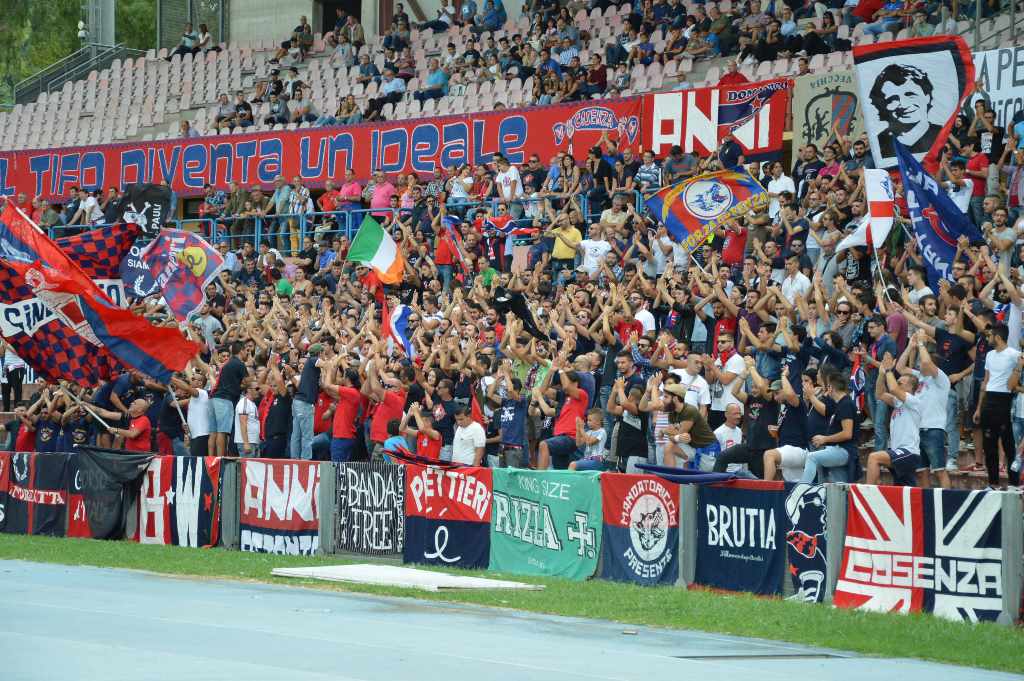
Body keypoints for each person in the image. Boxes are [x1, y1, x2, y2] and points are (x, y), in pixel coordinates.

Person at [865, 354, 924, 486]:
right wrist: (882, 374)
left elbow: (892, 388)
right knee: (904, 489)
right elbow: (879, 394)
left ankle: (867, 493)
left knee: (874, 458)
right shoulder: (898, 402)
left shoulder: (915, 401)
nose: (896, 384)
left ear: (910, 388)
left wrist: (888, 370)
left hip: (909, 452)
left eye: (900, 383)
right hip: (899, 451)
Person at [870, 63, 944, 158]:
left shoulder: (943, 136)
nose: (904, 105)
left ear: (927, 97)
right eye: (892, 99)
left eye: (910, 95)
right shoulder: (878, 143)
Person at [209, 341, 248, 457]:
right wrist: (243, 385)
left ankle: (211, 458)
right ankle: (221, 458)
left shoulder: (227, 363)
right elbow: (247, 382)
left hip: (214, 398)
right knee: (222, 431)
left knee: (213, 432)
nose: (247, 353)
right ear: (241, 351)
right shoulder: (239, 364)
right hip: (224, 400)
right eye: (246, 351)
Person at [235, 381, 262, 457]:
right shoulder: (244, 403)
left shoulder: (252, 403)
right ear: (249, 390)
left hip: (254, 442)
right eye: (257, 388)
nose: (259, 391)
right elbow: (243, 423)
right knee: (248, 465)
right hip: (247, 442)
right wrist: (246, 443)